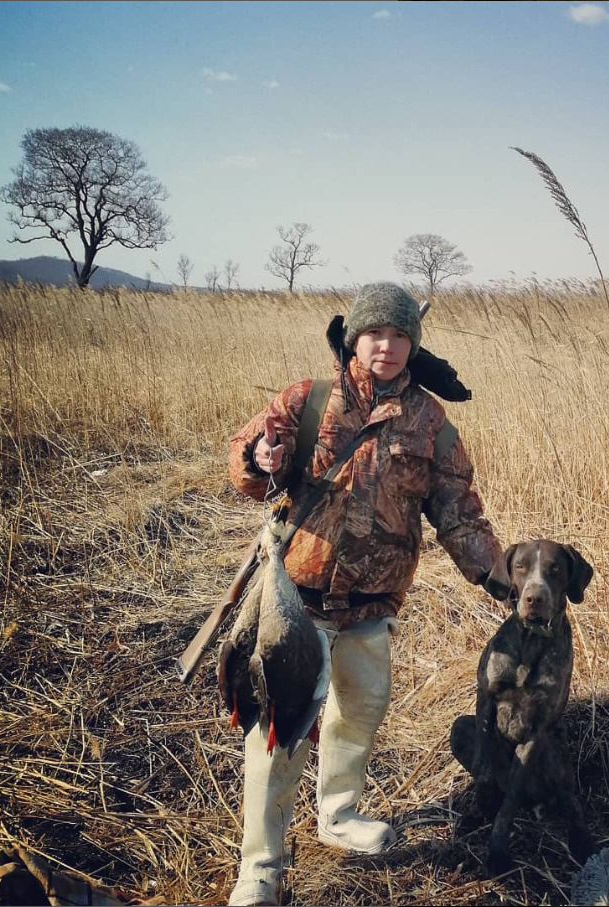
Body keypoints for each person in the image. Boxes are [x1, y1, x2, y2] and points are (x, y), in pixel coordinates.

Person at [226, 282, 502, 906]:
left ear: (413, 343)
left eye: (401, 336)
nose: (388, 346)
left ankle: (339, 814)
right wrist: (258, 454)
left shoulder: (430, 421)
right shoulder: (308, 398)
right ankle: (261, 867)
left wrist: (496, 575)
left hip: (374, 606)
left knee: (359, 715)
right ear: (355, 337)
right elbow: (242, 461)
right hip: (298, 604)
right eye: (377, 334)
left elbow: (458, 510)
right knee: (280, 730)